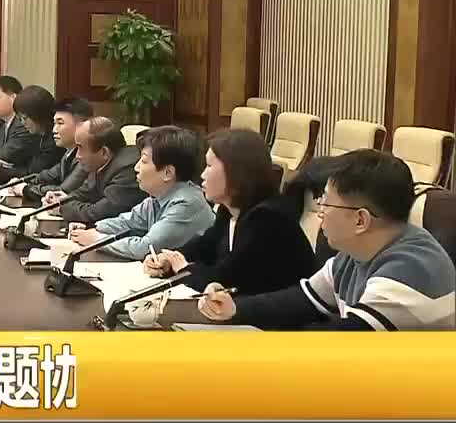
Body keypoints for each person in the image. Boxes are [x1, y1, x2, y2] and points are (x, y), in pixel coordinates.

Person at [199, 150, 455, 330]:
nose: (319, 212)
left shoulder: (410, 270)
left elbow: (338, 342)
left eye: (326, 203)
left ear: (360, 220)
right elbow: (303, 299)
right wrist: (235, 308)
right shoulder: (357, 253)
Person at [143, 128, 316, 295]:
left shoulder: (268, 219)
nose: (203, 175)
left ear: (236, 173)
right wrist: (168, 259)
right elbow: (204, 247)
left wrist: (183, 268)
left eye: (209, 166)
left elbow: (225, 279)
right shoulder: (229, 211)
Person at [68, 126, 215, 260]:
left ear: (168, 173)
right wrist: (93, 228)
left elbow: (145, 248)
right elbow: (127, 222)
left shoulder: (187, 203)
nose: (136, 167)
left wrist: (96, 239)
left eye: (144, 161)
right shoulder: (157, 197)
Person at [43, 117, 144, 224]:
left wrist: (62, 209)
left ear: (104, 152)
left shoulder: (127, 169)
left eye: (80, 148)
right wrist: (61, 199)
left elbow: (98, 213)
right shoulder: (99, 163)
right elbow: (84, 193)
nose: (77, 156)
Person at [15, 96, 92, 202]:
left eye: (60, 123)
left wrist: (26, 189)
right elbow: (46, 176)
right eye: (54, 123)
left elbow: (63, 191)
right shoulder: (69, 153)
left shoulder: (87, 155)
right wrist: (20, 182)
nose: (54, 130)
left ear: (82, 125)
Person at [0, 85, 64, 184]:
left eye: (24, 118)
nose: (22, 123)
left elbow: (33, 173)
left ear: (38, 115)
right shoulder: (36, 136)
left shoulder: (55, 140)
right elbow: (27, 166)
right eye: (20, 118)